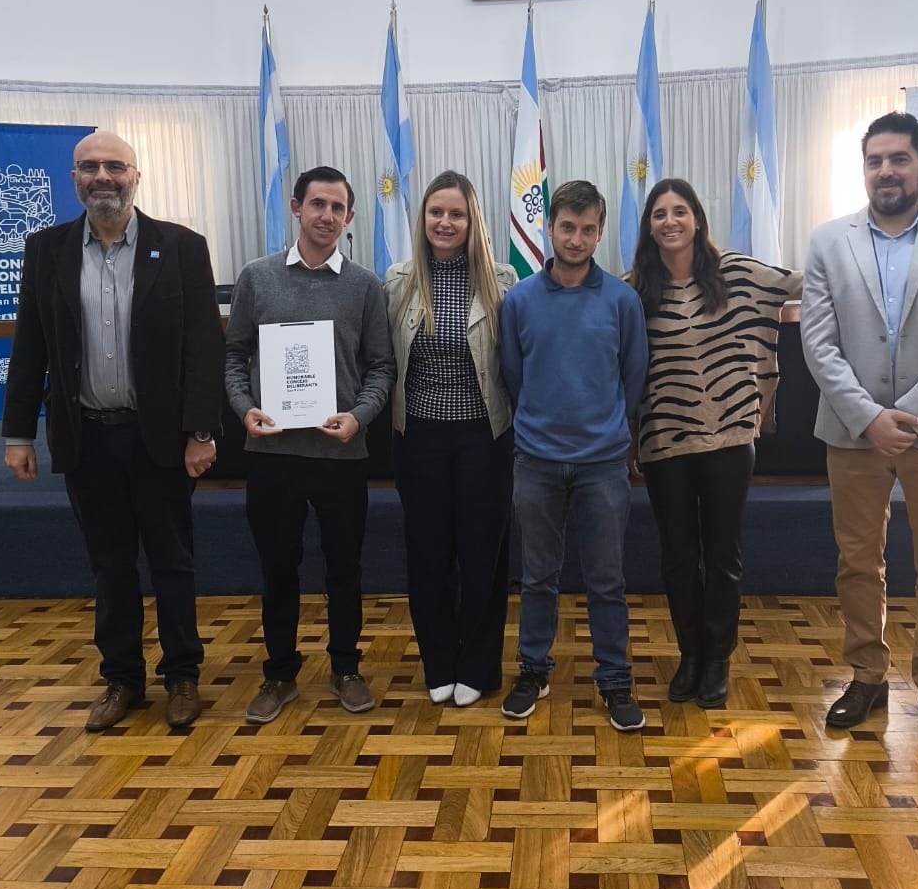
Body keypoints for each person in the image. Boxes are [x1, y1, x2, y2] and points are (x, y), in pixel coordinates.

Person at [2, 131, 224, 733]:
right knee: (110, 565)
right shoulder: (45, 250)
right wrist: (17, 433)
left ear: (135, 176)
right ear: (74, 177)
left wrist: (202, 431)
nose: (103, 176)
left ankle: (182, 675)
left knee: (172, 561)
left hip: (160, 439)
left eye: (114, 166)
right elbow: (30, 345)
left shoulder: (181, 247)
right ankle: (122, 678)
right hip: (87, 439)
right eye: (90, 166)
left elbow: (203, 348)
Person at [800, 111, 918, 747]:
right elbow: (818, 344)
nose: (886, 170)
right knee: (858, 561)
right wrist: (868, 417)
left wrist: (907, 416)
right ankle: (867, 676)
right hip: (853, 432)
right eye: (875, 160)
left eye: (899, 159)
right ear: (864, 169)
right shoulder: (829, 241)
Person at [224, 166, 395, 720]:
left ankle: (346, 667)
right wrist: (244, 408)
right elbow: (234, 356)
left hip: (341, 455)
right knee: (278, 570)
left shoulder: (365, 286)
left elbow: (382, 366)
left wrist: (359, 417)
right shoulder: (256, 277)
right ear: (297, 207)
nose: (327, 215)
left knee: (345, 569)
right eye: (317, 204)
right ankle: (279, 674)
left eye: (337, 207)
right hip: (273, 456)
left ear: (349, 217)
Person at [630, 179, 802, 709]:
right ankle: (691, 654)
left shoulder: (736, 273)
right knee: (678, 558)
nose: (670, 221)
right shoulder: (635, 289)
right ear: (649, 226)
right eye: (659, 214)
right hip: (665, 442)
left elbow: (800, 284)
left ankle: (718, 658)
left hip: (729, 437)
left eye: (680, 211)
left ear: (698, 219)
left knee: (723, 556)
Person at [499, 180, 648, 730]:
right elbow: (513, 375)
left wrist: (605, 427)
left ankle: (614, 679)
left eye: (588, 229)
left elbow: (633, 377)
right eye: (567, 227)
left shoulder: (622, 301)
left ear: (600, 232)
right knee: (538, 577)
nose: (576, 239)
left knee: (606, 580)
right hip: (536, 459)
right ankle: (533, 671)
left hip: (602, 463)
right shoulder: (519, 300)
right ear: (549, 227)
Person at [385, 172, 516, 705]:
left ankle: (478, 666)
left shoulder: (502, 281)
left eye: (456, 214)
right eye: (436, 212)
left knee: (484, 554)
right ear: (423, 218)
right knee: (428, 553)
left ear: (472, 220)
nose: (445, 222)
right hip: (418, 439)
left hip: (485, 438)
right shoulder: (397, 280)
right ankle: (438, 661)